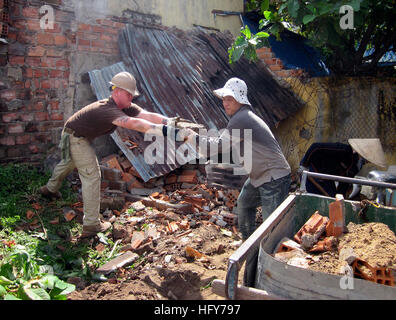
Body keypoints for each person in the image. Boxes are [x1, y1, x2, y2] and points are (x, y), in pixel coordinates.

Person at [40, 71, 182, 238]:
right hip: (75, 136)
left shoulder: (126, 107)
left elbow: (146, 115)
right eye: (128, 94)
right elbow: (133, 123)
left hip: (79, 134)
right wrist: (165, 131)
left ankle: (49, 189)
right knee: (92, 175)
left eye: (132, 94)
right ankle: (92, 224)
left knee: (68, 164)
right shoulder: (107, 109)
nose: (131, 98)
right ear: (117, 92)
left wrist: (168, 121)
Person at [191, 77, 292, 241]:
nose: (225, 103)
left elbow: (214, 147)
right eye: (224, 99)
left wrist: (192, 138)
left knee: (272, 228)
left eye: (230, 99)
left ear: (240, 99)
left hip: (274, 178)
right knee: (244, 204)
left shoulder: (242, 118)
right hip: (259, 177)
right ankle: (248, 243)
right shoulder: (241, 117)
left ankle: (270, 258)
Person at [299, 139, 387, 198]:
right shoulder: (343, 150)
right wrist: (304, 165)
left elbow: (345, 181)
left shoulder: (354, 166)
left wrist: (340, 197)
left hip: (328, 177)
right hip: (313, 170)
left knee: (331, 198)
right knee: (315, 198)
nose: (368, 162)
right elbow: (315, 147)